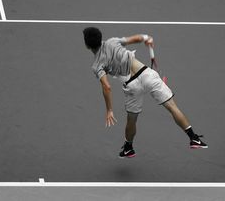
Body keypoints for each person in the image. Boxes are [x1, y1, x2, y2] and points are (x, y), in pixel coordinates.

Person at [83, 27, 207, 158]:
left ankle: (128, 148)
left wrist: (109, 110)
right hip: (147, 75)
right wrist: (147, 38)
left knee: (131, 120)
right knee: (172, 107)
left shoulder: (96, 66)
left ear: (87, 45)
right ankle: (194, 138)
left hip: (131, 87)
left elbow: (107, 86)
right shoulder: (112, 42)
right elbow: (137, 38)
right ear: (101, 37)